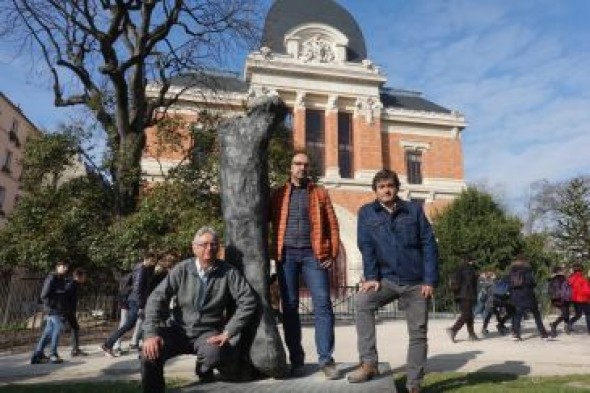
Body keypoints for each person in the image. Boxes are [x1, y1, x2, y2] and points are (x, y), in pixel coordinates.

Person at [347, 169, 438, 393]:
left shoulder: (414, 210)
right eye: (381, 186)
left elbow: (429, 245)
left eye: (390, 185)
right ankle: (369, 363)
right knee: (362, 303)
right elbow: (366, 246)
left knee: (418, 333)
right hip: (386, 280)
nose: (386, 190)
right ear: (375, 190)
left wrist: (429, 280)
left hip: (416, 281)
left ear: (397, 188)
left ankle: (414, 383)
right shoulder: (366, 213)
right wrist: (371, 277)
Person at [140, 227, 257, 393]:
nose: (209, 248)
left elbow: (248, 300)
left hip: (207, 333)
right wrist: (150, 334)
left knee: (215, 353)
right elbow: (156, 299)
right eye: (204, 244)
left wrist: (228, 332)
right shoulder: (182, 269)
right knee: (149, 354)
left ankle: (203, 368)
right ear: (194, 247)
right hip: (177, 330)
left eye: (213, 244)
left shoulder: (229, 272)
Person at [270, 152, 340, 379]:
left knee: (323, 305)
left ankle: (326, 360)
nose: (302, 167)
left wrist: (334, 252)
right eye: (297, 163)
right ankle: (296, 361)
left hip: (314, 255)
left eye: (306, 164)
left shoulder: (320, 193)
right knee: (289, 307)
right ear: (290, 167)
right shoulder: (279, 194)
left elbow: (333, 224)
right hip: (286, 256)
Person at [101, 250, 157, 357]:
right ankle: (108, 344)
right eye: (152, 261)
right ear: (148, 259)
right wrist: (141, 305)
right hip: (135, 301)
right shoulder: (142, 270)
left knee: (130, 324)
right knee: (128, 325)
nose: (153, 263)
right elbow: (138, 288)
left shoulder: (141, 268)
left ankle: (110, 344)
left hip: (134, 300)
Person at [129, 252, 178, 350]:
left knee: (148, 320)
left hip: (157, 298)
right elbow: (152, 285)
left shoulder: (160, 271)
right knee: (151, 320)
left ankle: (137, 341)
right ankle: (141, 341)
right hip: (156, 299)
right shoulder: (160, 272)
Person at [31, 260, 70, 364]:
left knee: (48, 333)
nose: (65, 268)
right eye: (63, 266)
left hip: (57, 310)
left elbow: (61, 296)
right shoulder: (52, 278)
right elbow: (44, 295)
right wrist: (51, 308)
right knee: (58, 330)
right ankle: (53, 354)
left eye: (66, 267)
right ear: (58, 267)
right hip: (52, 310)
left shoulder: (61, 279)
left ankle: (37, 355)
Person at [509, 255, 548, 340]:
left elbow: (510, 284)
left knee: (518, 315)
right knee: (536, 314)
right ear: (525, 261)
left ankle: (516, 333)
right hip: (527, 295)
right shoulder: (527, 269)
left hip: (516, 296)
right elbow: (530, 282)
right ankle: (543, 332)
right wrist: (534, 284)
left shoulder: (512, 270)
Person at [447, 258, 479, 342]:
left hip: (460, 295)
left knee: (469, 315)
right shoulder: (468, 269)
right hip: (466, 295)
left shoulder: (459, 268)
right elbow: (469, 284)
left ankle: (472, 334)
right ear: (471, 261)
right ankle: (453, 330)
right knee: (466, 314)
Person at [64, 267, 88, 357]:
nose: (85, 279)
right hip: (67, 311)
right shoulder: (71, 285)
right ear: (78, 276)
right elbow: (64, 297)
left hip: (69, 310)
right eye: (84, 276)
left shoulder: (73, 284)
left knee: (75, 327)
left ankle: (75, 349)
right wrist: (67, 310)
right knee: (54, 331)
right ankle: (75, 350)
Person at [547, 266, 571, 337]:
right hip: (558, 299)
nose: (562, 272)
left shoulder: (565, 279)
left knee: (566, 313)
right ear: (557, 272)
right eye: (561, 271)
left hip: (565, 299)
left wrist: (568, 295)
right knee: (565, 313)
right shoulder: (553, 280)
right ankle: (554, 325)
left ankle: (559, 326)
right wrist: (557, 295)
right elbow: (550, 290)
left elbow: (568, 288)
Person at [567, 262, 590, 334]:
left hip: (575, 299)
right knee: (588, 314)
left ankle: (569, 323)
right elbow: (586, 291)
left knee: (578, 314)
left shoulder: (570, 279)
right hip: (584, 299)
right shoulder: (582, 279)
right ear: (581, 270)